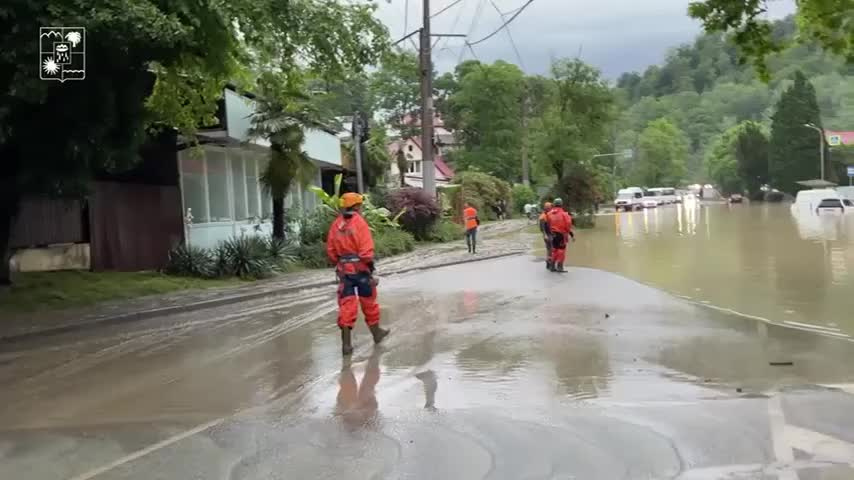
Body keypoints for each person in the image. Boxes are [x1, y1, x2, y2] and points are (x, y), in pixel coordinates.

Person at [327, 192, 390, 356]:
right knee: (369, 302)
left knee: (346, 305)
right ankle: (376, 333)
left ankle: (346, 345)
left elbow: (331, 250)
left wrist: (339, 263)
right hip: (361, 269)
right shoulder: (359, 223)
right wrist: (370, 267)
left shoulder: (336, 224)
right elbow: (366, 249)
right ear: (357, 206)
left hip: (343, 270)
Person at [546, 198, 575, 273]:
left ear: (554, 204)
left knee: (554, 250)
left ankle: (552, 266)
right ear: (561, 204)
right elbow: (568, 226)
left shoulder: (549, 214)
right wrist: (571, 235)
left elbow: (548, 225)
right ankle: (560, 267)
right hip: (561, 235)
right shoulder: (565, 214)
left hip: (553, 234)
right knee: (561, 251)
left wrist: (550, 233)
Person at [538, 202, 553, 270]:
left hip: (550, 234)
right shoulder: (543, 216)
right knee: (550, 249)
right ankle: (549, 262)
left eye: (550, 207)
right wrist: (545, 235)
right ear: (546, 208)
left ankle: (549, 263)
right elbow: (542, 228)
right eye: (549, 207)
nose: (550, 209)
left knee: (550, 249)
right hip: (547, 235)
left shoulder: (548, 214)